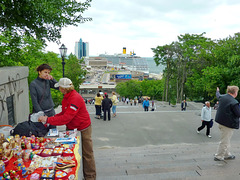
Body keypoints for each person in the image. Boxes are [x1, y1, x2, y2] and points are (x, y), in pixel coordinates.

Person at [38, 78, 96, 179]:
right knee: (71, 153)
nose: (59, 89)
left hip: (83, 127)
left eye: (60, 87)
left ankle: (90, 177)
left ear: (63, 88)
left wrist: (48, 120)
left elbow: (66, 118)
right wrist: (51, 118)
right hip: (72, 127)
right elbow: (64, 113)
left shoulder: (75, 98)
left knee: (87, 154)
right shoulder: (67, 96)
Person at [214, 86, 240, 161]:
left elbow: (218, 95)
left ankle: (226, 154)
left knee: (226, 139)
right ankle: (218, 156)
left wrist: (217, 90)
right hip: (228, 124)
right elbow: (238, 114)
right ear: (235, 92)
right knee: (224, 141)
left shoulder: (222, 97)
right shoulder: (234, 102)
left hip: (221, 122)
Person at [29, 64, 58, 129]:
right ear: (39, 72)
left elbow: (58, 87)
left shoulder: (47, 81)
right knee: (42, 133)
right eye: (45, 72)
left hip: (51, 112)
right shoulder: (33, 84)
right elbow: (34, 101)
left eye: (48, 73)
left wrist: (52, 79)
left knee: (53, 132)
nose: (47, 74)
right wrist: (41, 114)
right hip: (41, 113)